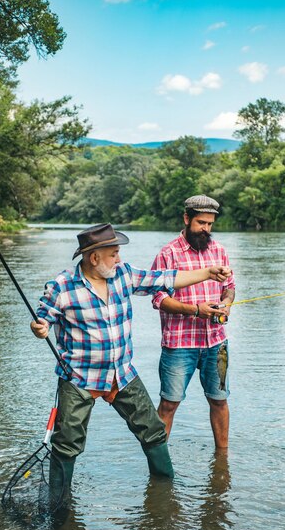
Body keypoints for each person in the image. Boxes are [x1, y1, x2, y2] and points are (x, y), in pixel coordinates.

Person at [30, 223, 232, 500]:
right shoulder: (62, 286)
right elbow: (42, 319)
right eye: (113, 254)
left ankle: (163, 493)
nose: (119, 259)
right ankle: (59, 506)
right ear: (94, 258)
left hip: (122, 375)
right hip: (78, 378)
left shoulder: (123, 275)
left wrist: (207, 273)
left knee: (153, 431)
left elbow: (167, 279)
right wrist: (39, 327)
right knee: (67, 444)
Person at [151, 195, 236, 449]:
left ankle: (222, 460)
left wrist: (227, 306)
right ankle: (158, 464)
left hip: (216, 343)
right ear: (186, 218)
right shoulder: (168, 254)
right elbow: (158, 298)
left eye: (210, 224)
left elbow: (229, 288)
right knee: (169, 403)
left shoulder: (219, 250)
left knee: (219, 401)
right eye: (201, 223)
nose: (206, 229)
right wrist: (196, 310)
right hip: (180, 344)